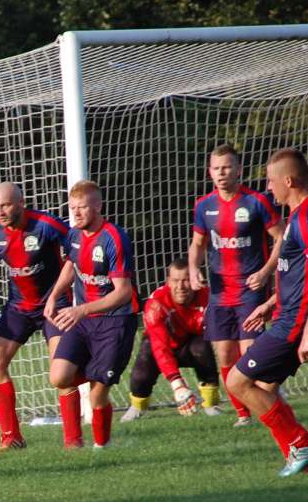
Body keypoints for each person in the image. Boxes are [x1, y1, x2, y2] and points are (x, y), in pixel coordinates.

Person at [227, 148, 308, 477]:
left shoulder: (307, 220)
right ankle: (300, 462)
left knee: (237, 382)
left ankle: (301, 443)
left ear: (288, 180)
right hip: (290, 314)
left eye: (272, 181)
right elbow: (298, 274)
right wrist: (270, 303)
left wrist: (307, 333)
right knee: (265, 389)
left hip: (297, 322)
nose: (268, 188)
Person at [0, 182, 83, 450]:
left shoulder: (46, 225)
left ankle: (73, 441)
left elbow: (77, 250)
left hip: (55, 306)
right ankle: (11, 436)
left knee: (61, 373)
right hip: (18, 307)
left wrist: (65, 293)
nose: (0, 211)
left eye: (5, 205)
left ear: (21, 202)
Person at [188, 144, 284, 427]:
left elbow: (281, 237)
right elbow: (198, 244)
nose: (222, 173)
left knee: (250, 350)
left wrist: (267, 271)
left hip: (251, 290)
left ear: (238, 170)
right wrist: (194, 268)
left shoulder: (256, 202)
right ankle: (244, 413)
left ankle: (265, 399)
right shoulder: (204, 206)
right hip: (220, 293)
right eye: (216, 168)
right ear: (210, 172)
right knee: (226, 353)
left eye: (227, 167)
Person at [45, 179, 140, 449]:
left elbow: (122, 292)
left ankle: (101, 447)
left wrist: (81, 309)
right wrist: (54, 296)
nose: (75, 213)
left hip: (115, 323)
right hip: (84, 320)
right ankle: (98, 373)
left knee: (98, 395)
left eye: (82, 208)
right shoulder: (73, 235)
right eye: (72, 207)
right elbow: (71, 265)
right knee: (59, 376)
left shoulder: (114, 238)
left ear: (97, 205)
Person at [120, 258, 220, 422]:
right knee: (144, 363)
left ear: (195, 279)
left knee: (201, 348)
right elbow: (160, 346)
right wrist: (177, 385)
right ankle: (137, 406)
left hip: (191, 345)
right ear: (167, 281)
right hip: (163, 345)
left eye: (186, 280)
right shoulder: (156, 303)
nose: (180, 287)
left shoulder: (209, 298)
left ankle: (210, 404)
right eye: (175, 281)